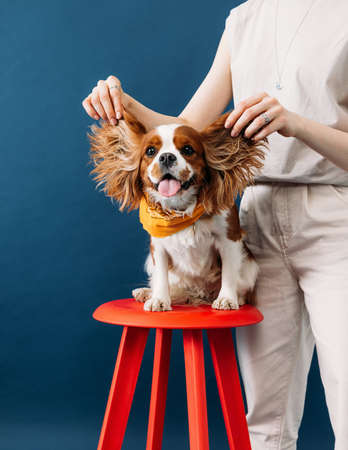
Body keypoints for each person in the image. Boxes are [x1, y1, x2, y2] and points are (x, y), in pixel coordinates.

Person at [82, 0, 348, 448]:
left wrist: (296, 124)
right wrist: (126, 106)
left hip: (333, 215)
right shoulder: (245, 18)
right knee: (265, 412)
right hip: (254, 220)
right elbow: (187, 129)